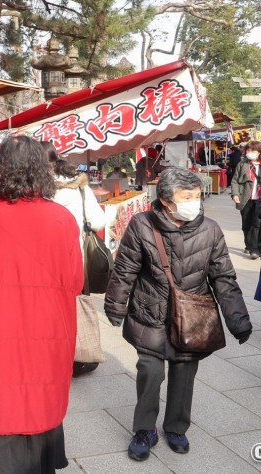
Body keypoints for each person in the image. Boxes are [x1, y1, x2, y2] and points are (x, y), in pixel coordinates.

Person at [105, 168, 251, 462]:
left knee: (184, 373)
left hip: (192, 315)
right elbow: (125, 270)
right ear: (166, 200)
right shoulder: (141, 225)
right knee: (150, 371)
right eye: (187, 197)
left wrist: (238, 320)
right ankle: (144, 429)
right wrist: (115, 305)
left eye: (197, 197)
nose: (194, 203)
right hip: (150, 311)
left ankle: (176, 427)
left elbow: (223, 277)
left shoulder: (209, 229)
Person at [0, 136, 83, 473]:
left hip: (0, 327)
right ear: (43, 169)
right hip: (50, 327)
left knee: (4, 398)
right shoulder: (62, 219)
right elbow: (76, 282)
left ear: (3, 169)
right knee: (44, 396)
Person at [42, 142, 107, 376]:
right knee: (75, 307)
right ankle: (78, 355)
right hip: (75, 260)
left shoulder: (32, 188)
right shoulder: (79, 187)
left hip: (43, 263)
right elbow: (98, 222)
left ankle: (51, 358)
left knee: (48, 312)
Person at [231, 140, 261, 258]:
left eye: (253, 151)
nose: (249, 153)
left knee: (257, 223)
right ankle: (248, 245)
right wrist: (235, 194)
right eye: (248, 150)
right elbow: (234, 181)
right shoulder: (242, 164)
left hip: (259, 200)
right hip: (245, 198)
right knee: (246, 224)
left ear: (259, 152)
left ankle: (255, 249)